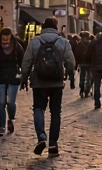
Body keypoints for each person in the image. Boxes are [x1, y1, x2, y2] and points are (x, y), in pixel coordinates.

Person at [19, 16, 75, 155]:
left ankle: (41, 136)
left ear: (43, 27)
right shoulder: (63, 42)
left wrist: (24, 78)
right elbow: (71, 62)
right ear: (56, 27)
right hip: (56, 81)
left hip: (39, 81)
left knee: (38, 108)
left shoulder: (34, 41)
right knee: (56, 112)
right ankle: (53, 144)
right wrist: (70, 75)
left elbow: (26, 62)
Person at [0, 28, 23, 136]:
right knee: (1, 103)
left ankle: (11, 119)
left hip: (13, 78)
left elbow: (22, 62)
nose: (5, 42)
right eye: (3, 39)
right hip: (0, 78)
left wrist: (22, 75)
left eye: (7, 39)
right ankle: (1, 127)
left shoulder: (17, 47)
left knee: (10, 102)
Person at [74, 34, 93, 98]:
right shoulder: (90, 44)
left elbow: (77, 54)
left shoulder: (79, 44)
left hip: (82, 63)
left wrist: (76, 65)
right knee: (88, 77)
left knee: (82, 76)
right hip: (89, 63)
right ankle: (87, 90)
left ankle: (82, 89)